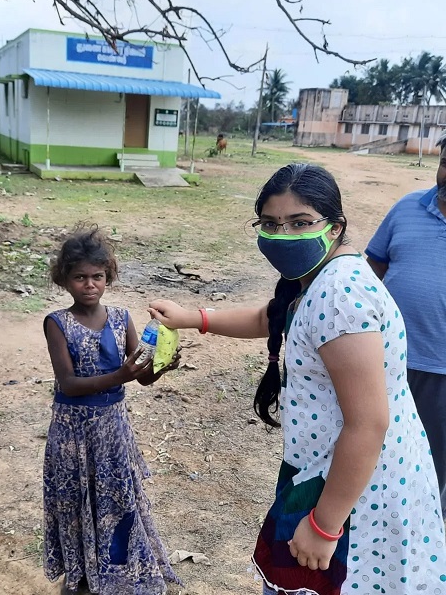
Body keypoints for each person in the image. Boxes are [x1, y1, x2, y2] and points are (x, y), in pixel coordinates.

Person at [149, 164, 446, 595]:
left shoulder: (340, 295)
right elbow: (274, 318)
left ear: (335, 226)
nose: (283, 235)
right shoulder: (318, 276)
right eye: (271, 224)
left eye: (300, 222)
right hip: (333, 471)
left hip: (352, 490)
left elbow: (368, 424)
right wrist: (195, 318)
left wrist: (325, 526)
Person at [42, 226, 182, 595]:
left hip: (113, 430)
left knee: (117, 498)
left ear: (108, 277)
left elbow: (141, 376)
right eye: (80, 277)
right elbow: (68, 383)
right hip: (73, 432)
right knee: (76, 500)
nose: (90, 285)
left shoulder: (121, 318)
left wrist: (162, 366)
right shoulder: (57, 323)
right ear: (64, 280)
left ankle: (116, 570)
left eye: (98, 277)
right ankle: (81, 575)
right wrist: (121, 374)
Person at [366, 130, 446, 517]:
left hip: (441, 374)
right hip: (384, 361)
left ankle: (425, 534)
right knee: (373, 452)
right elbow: (372, 271)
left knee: (432, 466)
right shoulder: (406, 208)